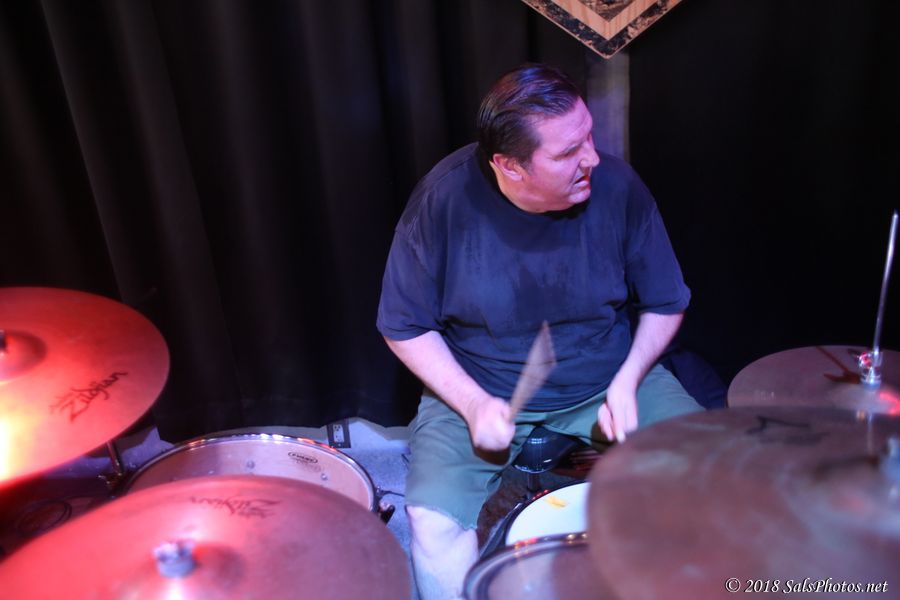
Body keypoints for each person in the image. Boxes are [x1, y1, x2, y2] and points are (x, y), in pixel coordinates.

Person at [377, 63, 702, 599]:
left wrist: (628, 382)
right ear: (509, 165)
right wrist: (472, 403)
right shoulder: (442, 200)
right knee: (432, 525)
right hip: (479, 387)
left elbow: (667, 303)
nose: (592, 158)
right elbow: (403, 325)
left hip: (611, 377)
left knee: (715, 475)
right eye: (568, 151)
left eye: (589, 137)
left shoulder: (619, 186)